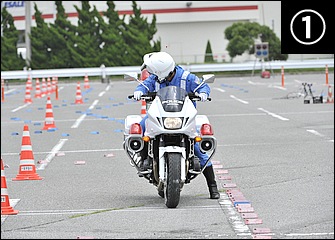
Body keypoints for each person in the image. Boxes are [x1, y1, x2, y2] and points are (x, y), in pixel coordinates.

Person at [132, 51, 220, 199]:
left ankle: (213, 186)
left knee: (199, 150)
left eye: (153, 71)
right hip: (160, 115)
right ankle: (143, 159)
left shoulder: (187, 78)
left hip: (183, 117)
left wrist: (203, 93)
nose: (151, 73)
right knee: (140, 129)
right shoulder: (155, 78)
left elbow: (202, 86)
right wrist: (138, 91)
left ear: (161, 71)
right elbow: (144, 86)